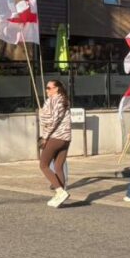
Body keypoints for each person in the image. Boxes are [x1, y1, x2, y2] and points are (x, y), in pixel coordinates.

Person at [38, 79, 73, 208]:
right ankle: (60, 195)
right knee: (58, 166)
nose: (47, 90)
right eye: (46, 88)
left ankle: (59, 191)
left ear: (56, 89)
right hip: (66, 138)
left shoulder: (54, 100)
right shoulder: (65, 100)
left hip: (55, 137)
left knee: (43, 165)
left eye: (49, 88)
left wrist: (45, 137)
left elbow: (52, 120)